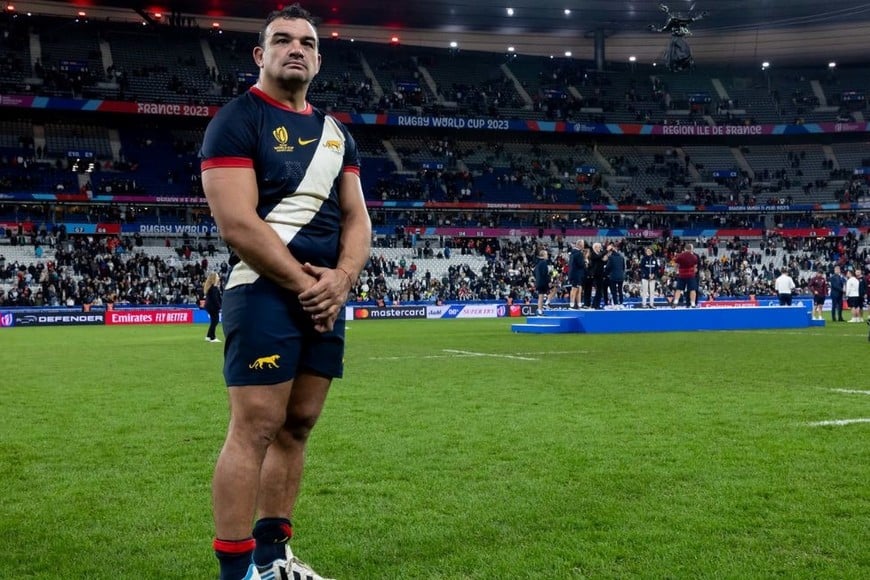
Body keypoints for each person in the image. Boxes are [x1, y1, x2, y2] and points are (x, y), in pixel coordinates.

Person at [199, 5, 372, 580]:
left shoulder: (336, 134)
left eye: (306, 42)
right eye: (282, 40)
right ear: (261, 54)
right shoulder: (236, 120)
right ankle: (236, 573)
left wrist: (342, 280)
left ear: (319, 59)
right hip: (265, 290)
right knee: (254, 428)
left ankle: (274, 561)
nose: (295, 48)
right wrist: (308, 285)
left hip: (325, 295)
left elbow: (358, 220)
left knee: (297, 426)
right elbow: (237, 224)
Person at [671, 242, 699, 308]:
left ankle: (675, 302)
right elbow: (695, 268)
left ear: (685, 249)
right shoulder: (694, 257)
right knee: (692, 290)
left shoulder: (680, 255)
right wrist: (694, 272)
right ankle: (693, 304)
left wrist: (676, 271)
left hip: (682, 275)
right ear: (691, 249)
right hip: (690, 275)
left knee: (678, 289)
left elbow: (676, 265)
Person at [587, 242, 607, 309]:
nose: (600, 248)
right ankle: (595, 305)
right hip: (596, 274)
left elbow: (602, 262)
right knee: (598, 290)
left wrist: (605, 260)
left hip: (600, 274)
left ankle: (595, 305)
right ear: (595, 247)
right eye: (599, 247)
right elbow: (598, 257)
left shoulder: (599, 255)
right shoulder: (593, 254)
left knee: (600, 291)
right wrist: (606, 250)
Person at [604, 242, 625, 308]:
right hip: (621, 276)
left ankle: (615, 304)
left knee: (614, 291)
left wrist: (606, 272)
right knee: (620, 290)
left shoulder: (611, 258)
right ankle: (621, 303)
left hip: (613, 276)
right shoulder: (621, 257)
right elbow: (623, 267)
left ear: (610, 252)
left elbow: (608, 267)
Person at [203, 271, 223, 342]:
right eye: (217, 276)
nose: (218, 278)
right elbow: (215, 299)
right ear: (214, 278)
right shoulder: (214, 288)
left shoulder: (211, 287)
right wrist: (219, 307)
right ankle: (212, 337)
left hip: (209, 307)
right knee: (215, 321)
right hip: (212, 307)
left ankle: (209, 336)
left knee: (213, 321)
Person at [567, 240, 586, 309]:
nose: (584, 246)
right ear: (580, 245)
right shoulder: (578, 253)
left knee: (578, 288)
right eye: (583, 244)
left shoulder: (573, 253)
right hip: (576, 274)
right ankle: (572, 304)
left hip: (573, 273)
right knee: (574, 289)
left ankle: (578, 304)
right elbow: (581, 264)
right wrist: (585, 262)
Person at [534, 248, 550, 315]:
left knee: (541, 296)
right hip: (543, 282)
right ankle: (546, 303)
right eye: (546, 254)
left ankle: (540, 310)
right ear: (543, 255)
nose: (547, 256)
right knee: (555, 288)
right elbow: (544, 274)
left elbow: (534, 272)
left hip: (538, 282)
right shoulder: (543, 263)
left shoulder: (538, 263)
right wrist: (548, 281)